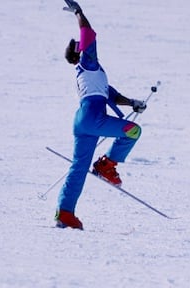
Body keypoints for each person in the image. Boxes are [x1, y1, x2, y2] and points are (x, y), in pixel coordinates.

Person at [55, 0, 149, 230]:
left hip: (82, 121)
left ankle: (65, 213)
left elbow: (111, 94)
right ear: (81, 52)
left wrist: (132, 103)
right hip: (93, 117)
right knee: (133, 131)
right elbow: (88, 33)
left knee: (78, 167)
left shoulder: (90, 73)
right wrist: (79, 12)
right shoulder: (88, 63)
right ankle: (106, 166)